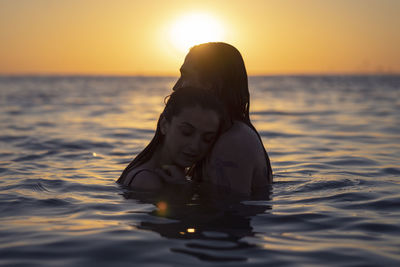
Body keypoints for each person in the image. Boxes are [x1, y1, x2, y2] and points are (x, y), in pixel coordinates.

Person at [172, 42, 273, 196]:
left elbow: (228, 214)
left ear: (212, 84)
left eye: (185, 76)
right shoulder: (220, 135)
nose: (176, 87)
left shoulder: (233, 142)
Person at [117, 86, 225, 192]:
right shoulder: (147, 181)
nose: (195, 146)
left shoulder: (171, 176)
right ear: (164, 125)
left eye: (207, 138)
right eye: (186, 132)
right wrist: (181, 190)